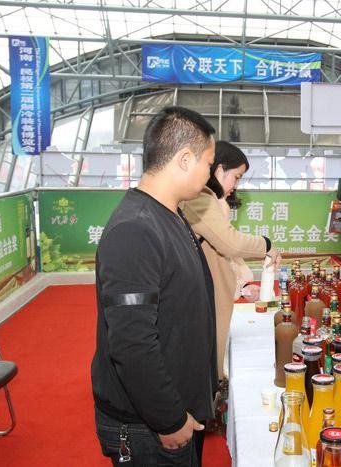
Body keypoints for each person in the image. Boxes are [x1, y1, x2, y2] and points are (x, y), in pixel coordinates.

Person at [91, 106, 217, 465]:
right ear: (185, 159)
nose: (209, 174)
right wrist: (169, 418)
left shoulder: (169, 214)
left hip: (174, 411)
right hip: (150, 428)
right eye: (208, 163)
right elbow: (132, 342)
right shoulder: (136, 228)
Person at [182, 140, 282, 383]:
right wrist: (266, 245)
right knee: (206, 361)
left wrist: (243, 284)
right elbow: (229, 243)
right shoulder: (200, 199)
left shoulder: (213, 200)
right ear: (218, 169)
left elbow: (224, 251)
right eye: (236, 177)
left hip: (213, 290)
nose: (236, 185)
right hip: (203, 294)